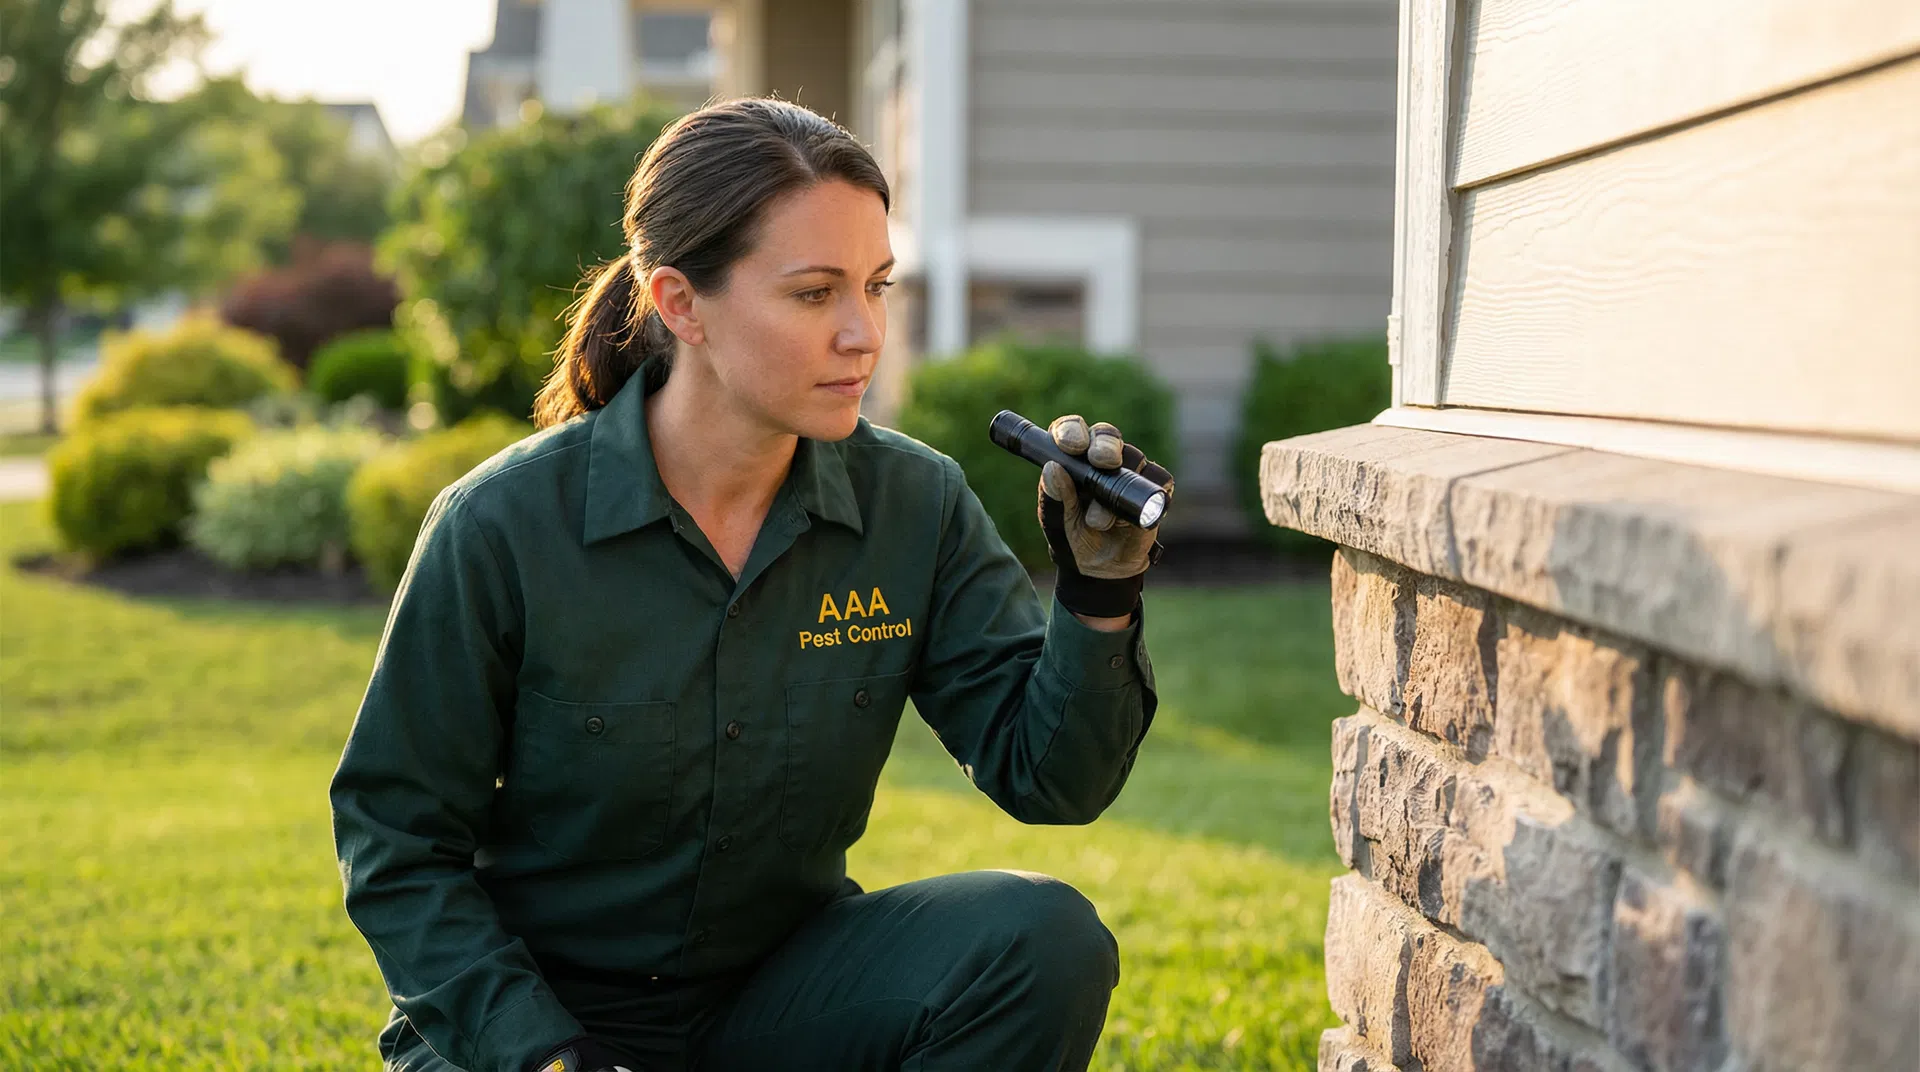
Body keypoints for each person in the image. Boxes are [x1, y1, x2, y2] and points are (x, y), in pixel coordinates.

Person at [329, 97, 1173, 1072]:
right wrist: (548, 1055)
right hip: (530, 1028)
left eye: (878, 286)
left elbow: (1051, 779)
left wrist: (1098, 596)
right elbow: (396, 842)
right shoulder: (501, 528)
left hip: (780, 1003)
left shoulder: (915, 504)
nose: (863, 334)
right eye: (815, 294)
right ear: (680, 303)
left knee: (1042, 938)